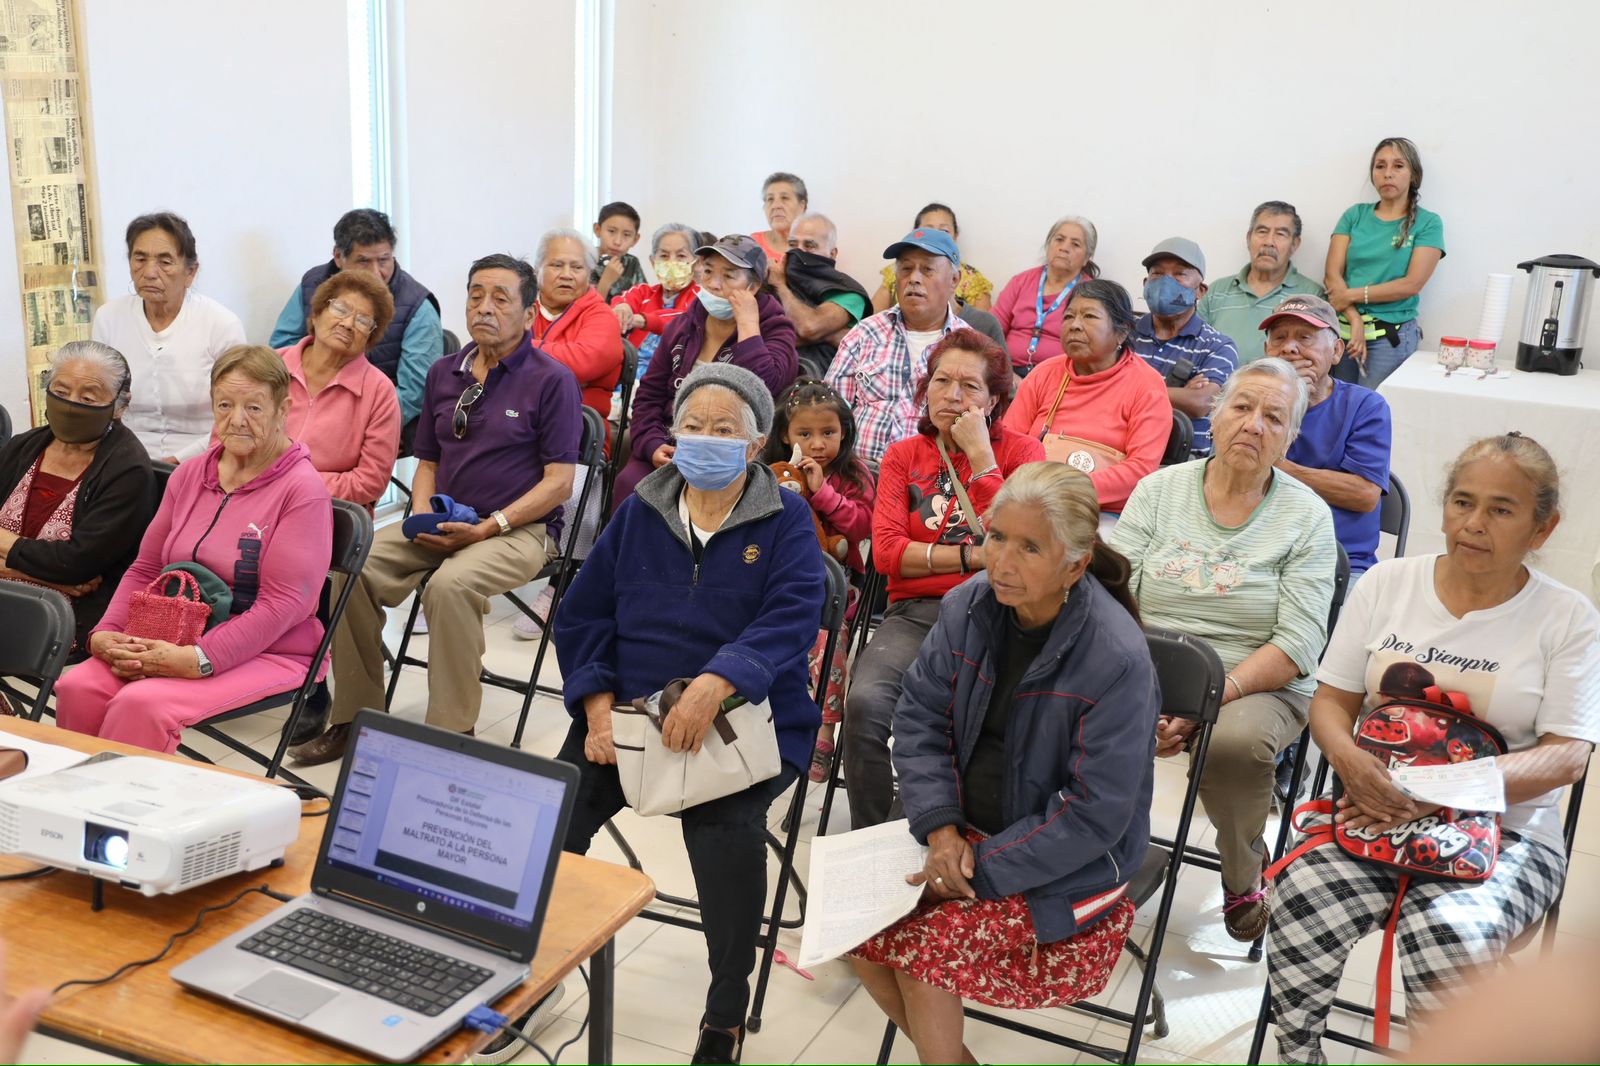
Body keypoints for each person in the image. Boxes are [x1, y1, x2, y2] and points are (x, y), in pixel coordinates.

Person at [1265, 433, 1597, 1064]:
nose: (1473, 524)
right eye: (1462, 502)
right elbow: (1329, 702)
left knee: (1445, 934)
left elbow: (1566, 758)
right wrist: (1351, 764)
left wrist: (1433, 791)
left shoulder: (1568, 618)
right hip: (1372, 810)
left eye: (1502, 509)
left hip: (1507, 832)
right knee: (1302, 894)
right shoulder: (1387, 584)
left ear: (1542, 528)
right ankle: (1295, 1054)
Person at [551, 363, 825, 1065]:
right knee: (545, 817)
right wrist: (597, 705)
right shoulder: (641, 508)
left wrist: (715, 685)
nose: (706, 440)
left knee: (726, 832)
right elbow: (585, 613)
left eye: (724, 430)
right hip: (631, 718)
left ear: (757, 444)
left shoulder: (787, 518)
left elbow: (792, 619)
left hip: (746, 724)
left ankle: (725, 1011)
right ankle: (535, 964)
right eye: (693, 427)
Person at [849, 463, 1158, 1064]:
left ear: (1076, 562)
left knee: (924, 956)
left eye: (1030, 547)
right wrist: (940, 830)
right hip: (961, 835)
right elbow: (919, 719)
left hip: (1071, 868)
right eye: (996, 537)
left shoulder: (1116, 658)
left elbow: (1094, 817)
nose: (1003, 562)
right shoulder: (969, 606)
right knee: (857, 932)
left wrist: (974, 871)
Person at [290, 255, 581, 765]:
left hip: (520, 529)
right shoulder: (446, 372)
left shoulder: (551, 379)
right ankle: (354, 718)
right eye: (475, 294)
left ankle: (451, 733)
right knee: (349, 571)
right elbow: (427, 460)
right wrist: (421, 514)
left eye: (500, 297)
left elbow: (559, 484)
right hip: (444, 514)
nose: (484, 307)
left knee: (451, 585)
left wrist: (489, 527)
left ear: (530, 311)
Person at [1109, 358, 1336, 941]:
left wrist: (1204, 701)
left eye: (1274, 417)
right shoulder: (1159, 491)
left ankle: (1242, 874)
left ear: (1291, 436)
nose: (1254, 425)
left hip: (1254, 679)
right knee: (1061, 704)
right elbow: (1112, 601)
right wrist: (1146, 692)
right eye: (1242, 407)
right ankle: (1083, 854)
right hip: (1147, 664)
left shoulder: (1307, 515)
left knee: (1232, 745)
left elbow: (1301, 639)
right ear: (1214, 414)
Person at [54, 345, 333, 753]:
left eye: (254, 408)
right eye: (225, 404)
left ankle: (132, 814)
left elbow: (285, 604)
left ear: (282, 408)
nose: (236, 421)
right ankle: (72, 810)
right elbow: (147, 567)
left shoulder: (301, 491)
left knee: (142, 704)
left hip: (272, 650)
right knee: (79, 685)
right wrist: (106, 633)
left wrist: (200, 657)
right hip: (172, 632)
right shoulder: (189, 475)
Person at [843, 330, 1045, 829]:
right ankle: (871, 839)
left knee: (951, 729)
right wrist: (973, 557)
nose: (952, 396)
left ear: (994, 400)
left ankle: (913, 834)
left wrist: (981, 459)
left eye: (970, 387)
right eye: (941, 381)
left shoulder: (1024, 455)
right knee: (865, 707)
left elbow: (1014, 547)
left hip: (990, 617)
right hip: (914, 615)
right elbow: (888, 554)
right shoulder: (904, 455)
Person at [610, 235, 797, 512]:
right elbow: (649, 396)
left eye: (729, 276)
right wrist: (652, 445)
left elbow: (768, 388)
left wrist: (748, 325)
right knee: (631, 485)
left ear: (754, 285)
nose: (714, 284)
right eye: (708, 272)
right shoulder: (683, 326)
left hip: (731, 451)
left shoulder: (776, 328)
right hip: (674, 442)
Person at [0, 341, 153, 653]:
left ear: (120, 404)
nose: (71, 404)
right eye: (61, 391)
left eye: (88, 397)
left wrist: (58, 579)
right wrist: (40, 576)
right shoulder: (24, 447)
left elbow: (75, 564)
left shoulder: (128, 470)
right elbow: (63, 572)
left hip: (59, 617)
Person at [761, 378, 875, 782]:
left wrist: (822, 492)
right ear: (784, 435)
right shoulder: (772, 471)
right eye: (804, 434)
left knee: (827, 638)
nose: (817, 444)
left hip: (838, 588)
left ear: (844, 432)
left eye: (828, 433)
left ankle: (823, 730)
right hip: (777, 579)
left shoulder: (854, 474)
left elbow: (862, 527)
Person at [1001, 279, 1171, 514]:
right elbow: (1007, 445)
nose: (1075, 325)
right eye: (1069, 317)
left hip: (1103, 512)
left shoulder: (1147, 386)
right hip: (1031, 502)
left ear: (1122, 332)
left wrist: (1066, 490)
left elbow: (1140, 470)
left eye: (1089, 316)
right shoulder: (1044, 373)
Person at [267, 208, 442, 437]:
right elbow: (281, 350)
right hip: (305, 403)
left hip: (369, 416)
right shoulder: (313, 285)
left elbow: (414, 393)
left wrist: (359, 426)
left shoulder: (418, 307)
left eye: (383, 260)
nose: (375, 272)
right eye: (363, 261)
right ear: (339, 257)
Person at [91, 212, 246, 462]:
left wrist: (176, 462)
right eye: (139, 258)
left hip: (205, 457)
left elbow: (236, 415)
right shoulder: (108, 318)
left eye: (165, 262)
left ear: (190, 272)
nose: (150, 272)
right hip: (124, 457)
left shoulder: (221, 325)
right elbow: (98, 400)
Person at [1260, 295, 1392, 579]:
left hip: (1338, 564)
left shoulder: (1365, 406)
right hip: (1259, 553)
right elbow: (1230, 473)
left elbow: (1364, 495)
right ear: (1266, 350)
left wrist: (1275, 467)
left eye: (1305, 338)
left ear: (1336, 351)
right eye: (1279, 338)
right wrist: (1286, 403)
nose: (1290, 348)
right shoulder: (1249, 400)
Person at [824, 228, 977, 464]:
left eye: (927, 269)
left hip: (930, 482)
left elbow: (974, 427)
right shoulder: (865, 333)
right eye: (906, 268)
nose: (914, 278)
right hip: (857, 475)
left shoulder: (969, 347)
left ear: (953, 280)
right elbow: (829, 411)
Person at [277, 270, 403, 512]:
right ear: (316, 314)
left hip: (326, 512)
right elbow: (228, 438)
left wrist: (292, 484)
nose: (347, 324)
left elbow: (370, 482)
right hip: (254, 498)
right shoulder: (272, 366)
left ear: (370, 337)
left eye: (363, 320)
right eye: (341, 310)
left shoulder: (379, 392)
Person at [1326, 137, 1446, 388]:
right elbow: (1331, 277)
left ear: (1413, 175)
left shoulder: (1428, 223)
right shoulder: (1354, 215)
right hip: (1344, 333)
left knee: (1376, 414)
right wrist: (1355, 319)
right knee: (1339, 412)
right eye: (1380, 166)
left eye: (1398, 166)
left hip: (1390, 339)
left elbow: (1411, 285)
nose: (1388, 174)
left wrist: (1351, 295)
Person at [1130, 237, 1239, 458]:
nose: (1166, 282)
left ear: (1201, 290)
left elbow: (1201, 403)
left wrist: (1126, 389)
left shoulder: (1218, 345)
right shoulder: (1123, 333)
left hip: (1179, 464)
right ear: (1145, 283)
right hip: (1119, 449)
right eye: (1157, 274)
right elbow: (1099, 387)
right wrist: (1178, 393)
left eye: (1180, 274)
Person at [1198, 201, 1327, 365]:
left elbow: (1316, 361)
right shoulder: (1216, 291)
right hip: (1218, 388)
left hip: (1281, 388)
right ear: (1248, 238)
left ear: (1295, 244)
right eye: (1262, 231)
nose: (1269, 242)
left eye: (1281, 234)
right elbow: (1194, 347)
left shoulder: (1311, 296)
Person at [528, 228, 625, 418]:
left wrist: (518, 351)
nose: (567, 275)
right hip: (515, 421)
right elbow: (491, 355)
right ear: (537, 269)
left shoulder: (602, 315)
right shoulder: (520, 308)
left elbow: (582, 363)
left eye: (577, 267)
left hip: (577, 426)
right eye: (556, 265)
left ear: (589, 273)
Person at [991, 216, 1099, 377]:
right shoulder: (1020, 282)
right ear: (1048, 245)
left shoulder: (1091, 294)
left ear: (1087, 258)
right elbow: (993, 330)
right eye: (1059, 240)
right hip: (1008, 372)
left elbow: (1088, 350)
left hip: (1058, 376)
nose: (1064, 248)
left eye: (1075, 244)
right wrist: (1006, 374)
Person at [768, 212, 872, 368]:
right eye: (792, 244)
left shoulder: (849, 292)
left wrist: (780, 286)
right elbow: (761, 336)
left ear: (832, 253)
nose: (798, 252)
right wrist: (833, 334)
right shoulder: (771, 277)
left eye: (809, 245)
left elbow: (809, 327)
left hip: (821, 383)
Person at [610, 221, 702, 384]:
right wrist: (622, 308)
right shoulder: (643, 292)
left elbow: (682, 319)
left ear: (696, 262)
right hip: (628, 378)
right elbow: (623, 300)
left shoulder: (701, 297)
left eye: (681, 256)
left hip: (671, 381)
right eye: (664, 256)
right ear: (653, 261)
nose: (672, 262)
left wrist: (642, 320)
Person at [871, 203, 994, 313]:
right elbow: (872, 316)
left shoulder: (972, 279)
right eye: (928, 230)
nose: (914, 278)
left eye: (944, 231)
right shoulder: (896, 271)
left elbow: (982, 326)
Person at [591, 200, 646, 302]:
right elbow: (582, 311)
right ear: (597, 230)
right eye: (611, 231)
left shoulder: (632, 263)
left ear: (635, 239)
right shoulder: (583, 261)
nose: (617, 242)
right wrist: (606, 282)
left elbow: (644, 301)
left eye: (626, 235)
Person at [750, 170, 806, 265]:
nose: (776, 206)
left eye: (784, 198)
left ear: (801, 206)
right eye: (770, 199)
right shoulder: (752, 245)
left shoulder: (812, 247)